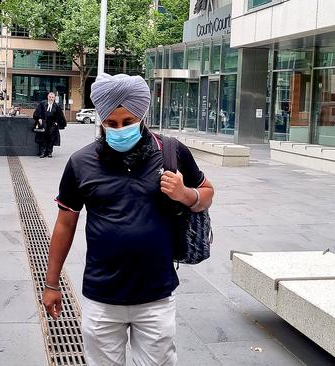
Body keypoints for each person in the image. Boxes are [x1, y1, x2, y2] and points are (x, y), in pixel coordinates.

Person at [41, 73, 214, 365]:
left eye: (128, 122)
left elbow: (207, 192)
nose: (119, 129)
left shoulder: (171, 152)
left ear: (142, 117)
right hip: (101, 297)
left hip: (156, 295)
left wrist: (185, 194)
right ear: (102, 121)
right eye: (111, 123)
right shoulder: (81, 162)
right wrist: (51, 283)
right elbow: (65, 223)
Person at [33, 92, 66, 158]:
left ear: (54, 98)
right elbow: (37, 112)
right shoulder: (42, 104)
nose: (51, 98)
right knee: (43, 138)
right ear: (47, 97)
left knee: (51, 138)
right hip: (44, 123)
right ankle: (43, 152)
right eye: (50, 97)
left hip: (52, 124)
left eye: (52, 97)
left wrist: (57, 122)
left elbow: (60, 116)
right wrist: (39, 118)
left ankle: (49, 152)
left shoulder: (57, 106)